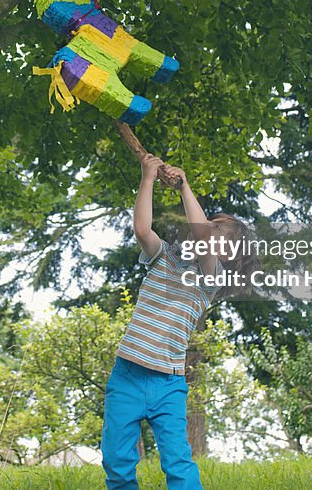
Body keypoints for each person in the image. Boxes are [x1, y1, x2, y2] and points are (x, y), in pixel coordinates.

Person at [101, 153, 248, 490]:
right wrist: (148, 177)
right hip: (127, 375)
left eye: (216, 233)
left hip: (168, 385)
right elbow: (141, 228)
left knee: (177, 462)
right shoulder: (164, 257)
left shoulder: (210, 280)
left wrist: (185, 188)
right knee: (116, 460)